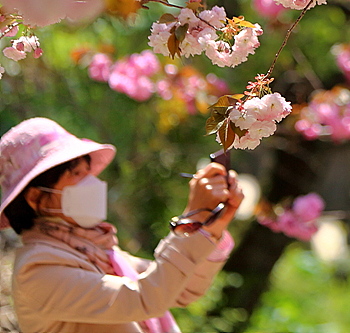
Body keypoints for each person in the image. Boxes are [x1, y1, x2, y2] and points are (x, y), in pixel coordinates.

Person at [0, 117, 244, 333]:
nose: (92, 183)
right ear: (34, 197)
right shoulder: (37, 270)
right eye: (76, 174)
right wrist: (191, 220)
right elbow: (145, 297)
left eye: (89, 172)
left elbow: (181, 288)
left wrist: (211, 227)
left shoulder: (97, 251)